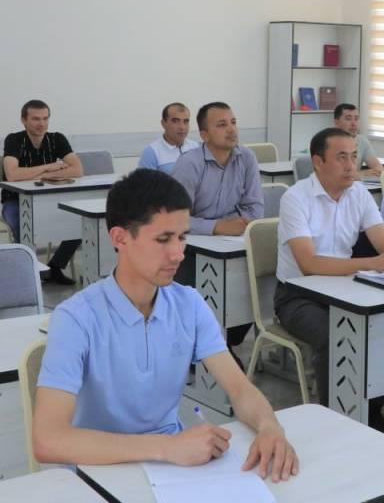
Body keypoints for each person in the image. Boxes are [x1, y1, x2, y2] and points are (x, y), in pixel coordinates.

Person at [32, 169, 298, 482]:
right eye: (163, 239)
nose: (178, 254)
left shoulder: (189, 304)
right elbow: (48, 440)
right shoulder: (76, 319)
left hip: (171, 468)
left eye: (182, 237)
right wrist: (166, 447)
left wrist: (270, 427)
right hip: (99, 471)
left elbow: (239, 388)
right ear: (119, 238)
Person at [273, 128, 384, 430]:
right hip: (298, 296)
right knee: (336, 336)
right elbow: (309, 265)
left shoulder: (359, 193)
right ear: (318, 162)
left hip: (345, 289)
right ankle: (335, 421)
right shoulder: (295, 198)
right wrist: (374, 263)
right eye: (341, 158)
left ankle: (373, 412)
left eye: (354, 157)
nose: (351, 166)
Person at [171, 101, 263, 351]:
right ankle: (200, 349)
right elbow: (174, 218)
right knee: (196, 300)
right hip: (189, 250)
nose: (231, 129)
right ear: (204, 135)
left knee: (254, 288)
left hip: (232, 244)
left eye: (233, 122)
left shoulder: (247, 158)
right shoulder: (190, 164)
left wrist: (238, 223)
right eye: (222, 125)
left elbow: (255, 208)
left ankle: (226, 344)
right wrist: (217, 227)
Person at [2, 99, 83, 284]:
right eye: (36, 119)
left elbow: (77, 170)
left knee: (82, 221)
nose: (42, 124)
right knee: (21, 223)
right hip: (15, 201)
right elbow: (12, 175)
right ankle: (28, 275)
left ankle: (55, 267)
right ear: (24, 120)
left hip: (51, 199)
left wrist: (37, 174)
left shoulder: (57, 138)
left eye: (45, 118)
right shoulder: (14, 140)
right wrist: (49, 167)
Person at [137, 102, 200, 173]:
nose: (182, 127)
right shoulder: (152, 152)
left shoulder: (196, 147)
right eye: (175, 121)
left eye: (186, 121)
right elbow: (145, 180)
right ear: (163, 123)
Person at [333, 103, 383, 177]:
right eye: (348, 119)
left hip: (354, 184)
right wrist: (362, 174)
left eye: (356, 119)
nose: (354, 124)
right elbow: (333, 175)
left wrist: (357, 175)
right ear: (336, 122)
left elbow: (379, 169)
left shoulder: (362, 141)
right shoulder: (328, 143)